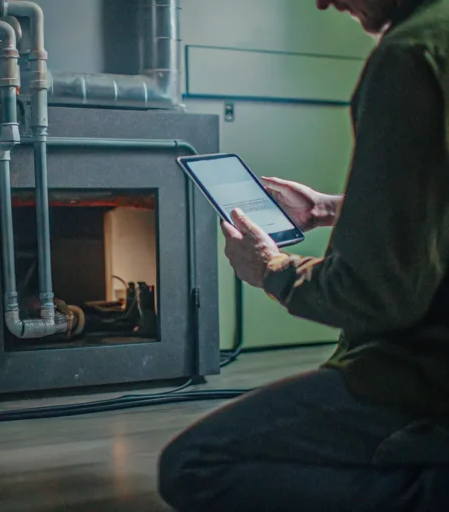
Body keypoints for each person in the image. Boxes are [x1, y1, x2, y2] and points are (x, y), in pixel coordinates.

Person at [157, 0, 449, 510]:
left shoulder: (409, 56)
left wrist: (271, 269)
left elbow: (374, 296)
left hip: (427, 377)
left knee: (194, 465)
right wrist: (329, 208)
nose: (322, 2)